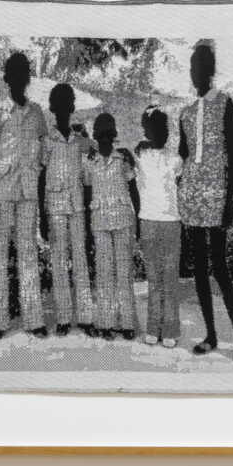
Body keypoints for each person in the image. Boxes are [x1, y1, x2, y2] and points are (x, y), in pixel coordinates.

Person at [177, 42, 233, 362]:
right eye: (192, 68)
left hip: (217, 196)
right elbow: (184, 155)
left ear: (210, 70)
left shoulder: (224, 103)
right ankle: (210, 335)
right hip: (192, 196)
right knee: (200, 269)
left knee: (220, 268)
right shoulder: (186, 112)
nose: (195, 74)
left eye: (200, 68)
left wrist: (229, 200)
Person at [0, 51, 48, 339]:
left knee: (28, 252)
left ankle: (34, 320)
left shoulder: (37, 113)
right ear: (7, 78)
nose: (20, 79)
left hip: (28, 191)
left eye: (24, 74)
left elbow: (42, 157)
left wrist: (41, 199)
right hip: (2, 191)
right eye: (15, 74)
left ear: (28, 79)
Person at [39, 83, 95, 336]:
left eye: (67, 103)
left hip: (77, 206)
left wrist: (87, 135)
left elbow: (92, 165)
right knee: (59, 262)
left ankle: (86, 317)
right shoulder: (46, 141)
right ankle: (63, 318)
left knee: (81, 260)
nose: (63, 108)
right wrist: (42, 215)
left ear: (72, 107)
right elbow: (41, 177)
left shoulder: (80, 141)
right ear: (52, 108)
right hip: (55, 206)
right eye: (59, 104)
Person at [82, 113, 139, 339]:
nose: (105, 138)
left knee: (124, 271)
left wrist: (139, 217)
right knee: (104, 271)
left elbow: (133, 189)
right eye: (101, 133)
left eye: (108, 133)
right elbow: (87, 193)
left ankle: (127, 323)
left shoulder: (123, 157)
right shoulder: (89, 161)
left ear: (113, 134)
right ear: (96, 135)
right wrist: (88, 226)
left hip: (123, 219)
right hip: (100, 221)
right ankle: (106, 323)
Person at [132, 106, 184, 347]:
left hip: (170, 222)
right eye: (152, 127)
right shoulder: (140, 155)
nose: (156, 131)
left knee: (167, 279)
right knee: (155, 279)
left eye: (159, 127)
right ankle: (154, 328)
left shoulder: (174, 158)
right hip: (149, 221)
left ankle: (169, 330)